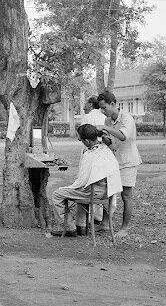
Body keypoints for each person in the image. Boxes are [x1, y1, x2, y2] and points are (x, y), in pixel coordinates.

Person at [50, 124, 122, 237]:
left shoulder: (89, 154)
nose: (80, 141)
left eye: (81, 139)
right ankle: (81, 227)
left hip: (94, 193)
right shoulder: (107, 150)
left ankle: (69, 228)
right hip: (108, 192)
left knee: (57, 194)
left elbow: (82, 181)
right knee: (80, 191)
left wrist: (70, 187)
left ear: (87, 141)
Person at [97, 91, 142, 238]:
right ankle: (105, 223)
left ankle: (124, 228)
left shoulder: (126, 118)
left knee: (126, 195)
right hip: (114, 161)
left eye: (105, 108)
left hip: (128, 161)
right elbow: (111, 141)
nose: (103, 112)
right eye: (101, 109)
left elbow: (123, 137)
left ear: (113, 104)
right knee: (109, 192)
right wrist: (104, 138)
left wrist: (106, 129)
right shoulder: (108, 121)